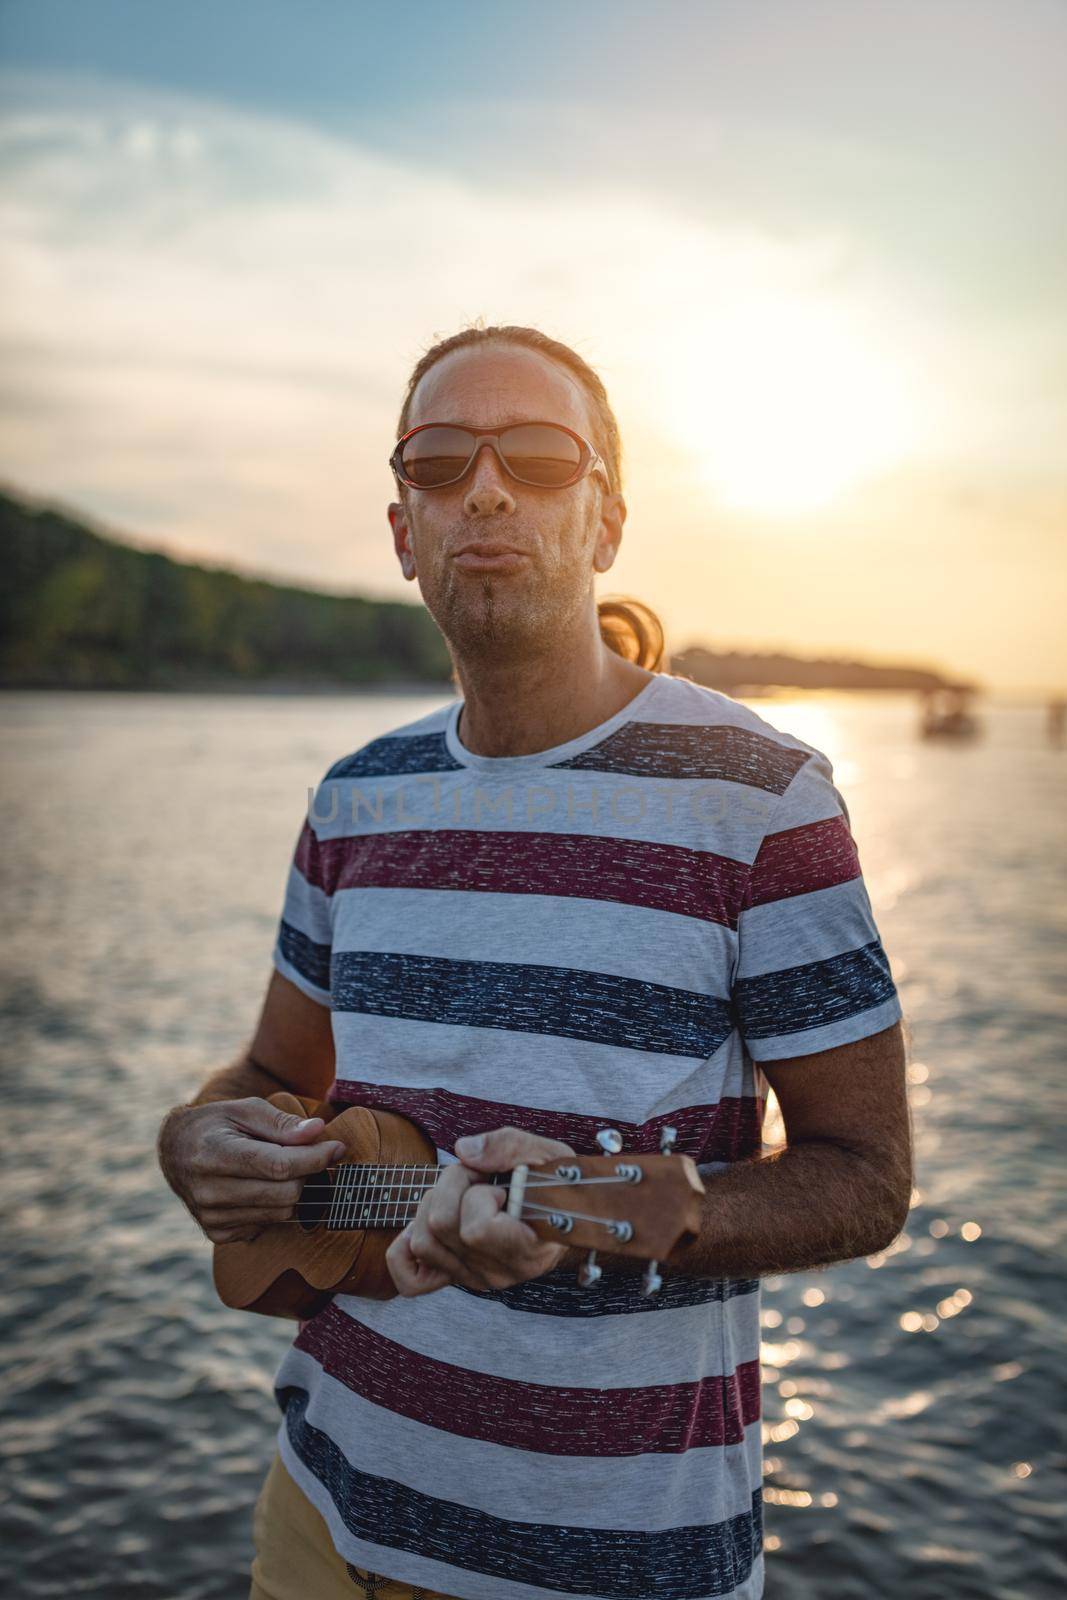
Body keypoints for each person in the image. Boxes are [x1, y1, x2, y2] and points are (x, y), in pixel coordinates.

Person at [157, 323, 912, 1600]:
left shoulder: (758, 798)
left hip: (610, 1561)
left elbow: (867, 1175)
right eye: (439, 463)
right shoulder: (356, 799)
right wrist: (194, 1138)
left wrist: (640, 1219)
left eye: (540, 459)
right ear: (403, 533)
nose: (486, 490)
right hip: (322, 1507)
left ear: (606, 520)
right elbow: (272, 1070)